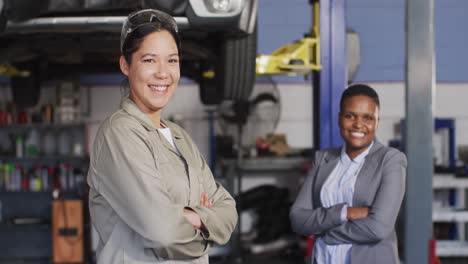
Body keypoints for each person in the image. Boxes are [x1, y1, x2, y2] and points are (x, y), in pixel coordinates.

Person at [87, 9, 238, 263]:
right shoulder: (119, 134)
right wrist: (206, 227)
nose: (163, 73)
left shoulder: (179, 137)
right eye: (149, 60)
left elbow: (228, 209)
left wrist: (187, 215)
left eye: (172, 60)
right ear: (126, 65)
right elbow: (164, 233)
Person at [290, 84, 407, 264]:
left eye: (367, 118)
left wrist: (323, 232)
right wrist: (345, 213)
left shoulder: (390, 160)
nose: (358, 124)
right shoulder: (323, 159)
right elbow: (298, 219)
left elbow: (379, 228)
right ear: (339, 119)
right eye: (350, 116)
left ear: (377, 122)